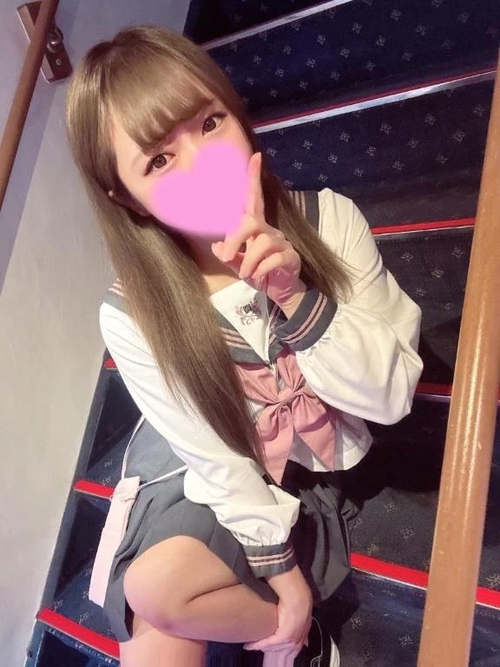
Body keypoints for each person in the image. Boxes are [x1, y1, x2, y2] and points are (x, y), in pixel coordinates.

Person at [65, 25, 423, 667]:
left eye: (210, 123)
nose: (203, 165)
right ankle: (300, 638)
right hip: (196, 458)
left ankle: (297, 642)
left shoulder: (329, 221)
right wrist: (286, 584)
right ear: (127, 198)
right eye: (158, 160)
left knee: (156, 600)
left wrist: (295, 296)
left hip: (285, 463)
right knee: (155, 605)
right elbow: (211, 457)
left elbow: (392, 399)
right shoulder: (132, 310)